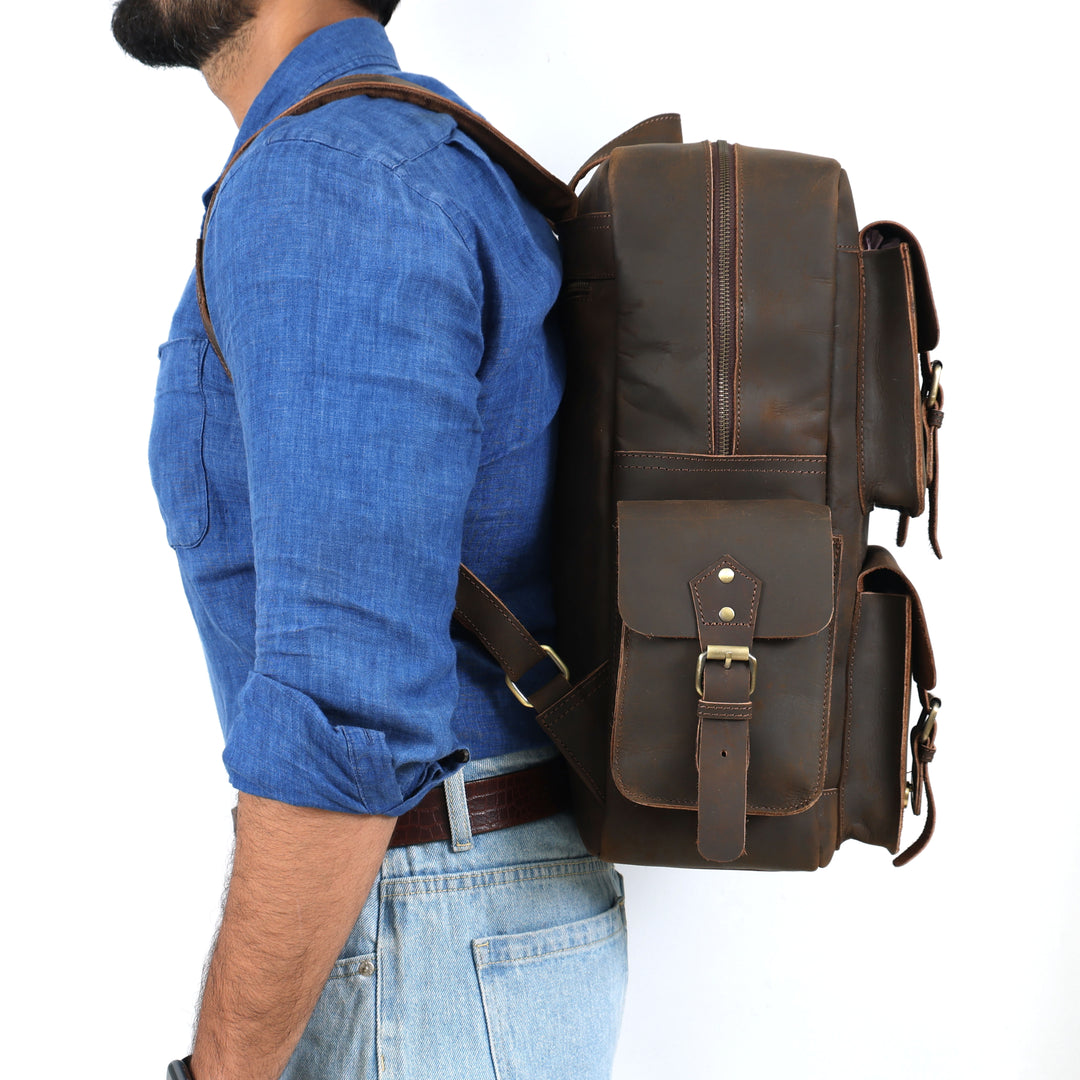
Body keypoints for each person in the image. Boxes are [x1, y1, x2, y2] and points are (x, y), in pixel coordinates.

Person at [111, 3, 628, 1078]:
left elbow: (347, 707)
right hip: (460, 919)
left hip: (423, 929)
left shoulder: (329, 182)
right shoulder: (406, 154)